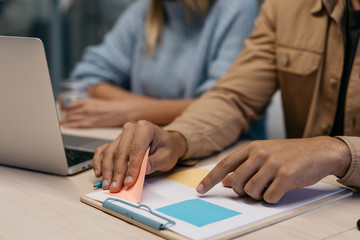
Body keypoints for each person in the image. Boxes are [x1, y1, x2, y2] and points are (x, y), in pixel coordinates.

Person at [92, 0, 360, 204]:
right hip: (305, 205)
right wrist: (178, 138)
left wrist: (340, 152)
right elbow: (234, 97)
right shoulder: (284, 6)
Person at [60, 0, 265, 140]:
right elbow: (87, 77)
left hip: (220, 152)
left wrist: (128, 112)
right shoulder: (144, 10)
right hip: (149, 142)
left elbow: (222, 107)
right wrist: (132, 113)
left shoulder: (237, 8)